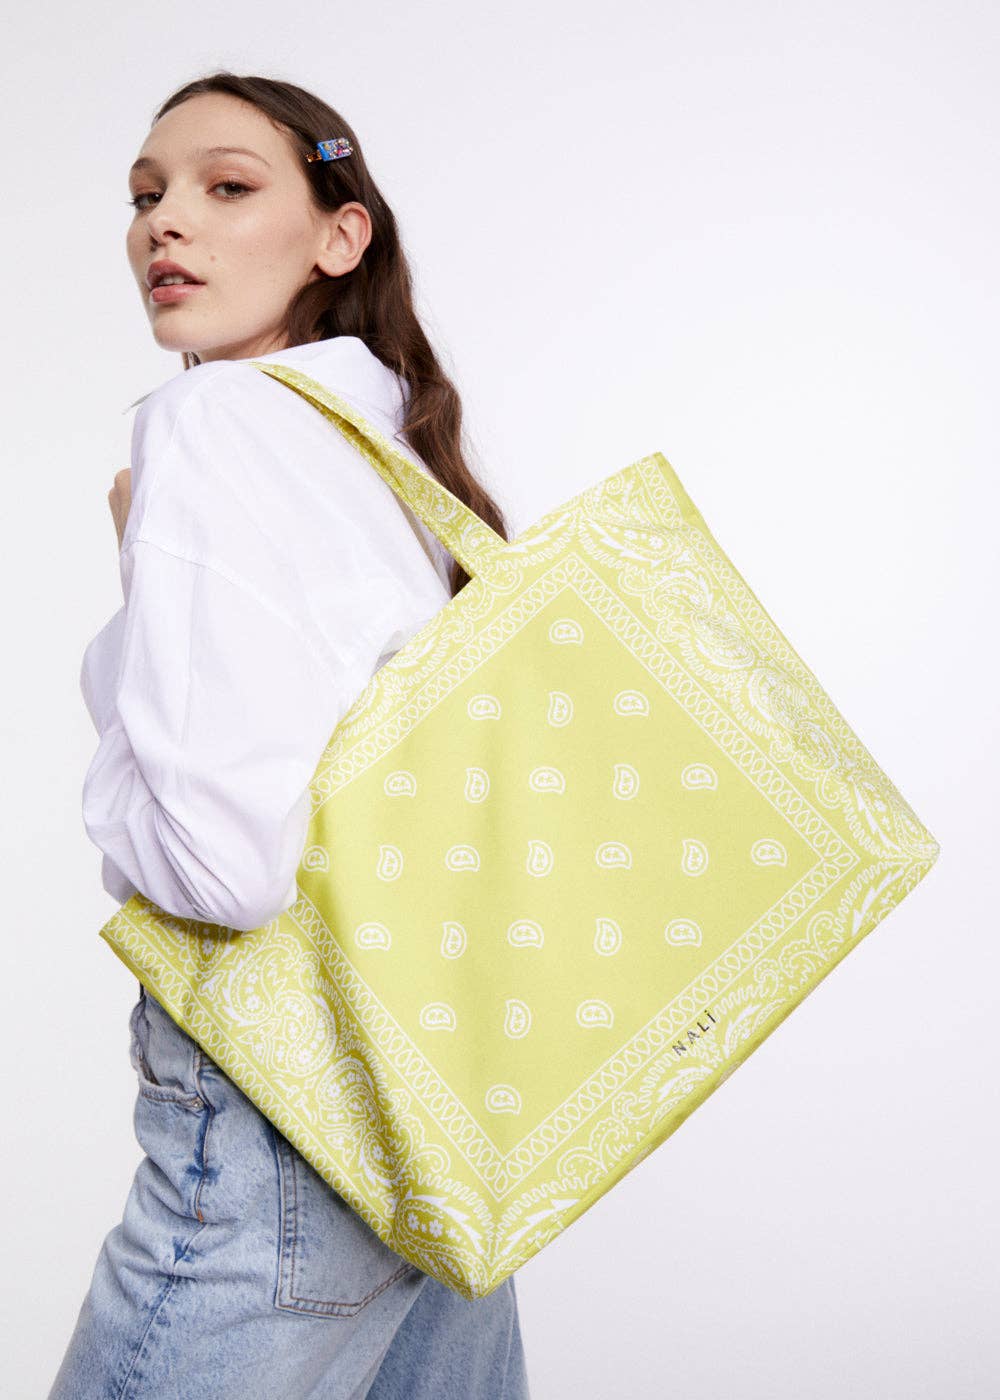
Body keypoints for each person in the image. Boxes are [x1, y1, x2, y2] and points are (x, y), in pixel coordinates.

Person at [49, 71, 531, 1400]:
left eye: (227, 186)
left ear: (340, 233)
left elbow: (225, 872)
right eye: (145, 196)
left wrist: (141, 585)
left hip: (283, 1116)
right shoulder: (394, 443)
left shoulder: (211, 422)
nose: (165, 223)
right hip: (442, 1102)